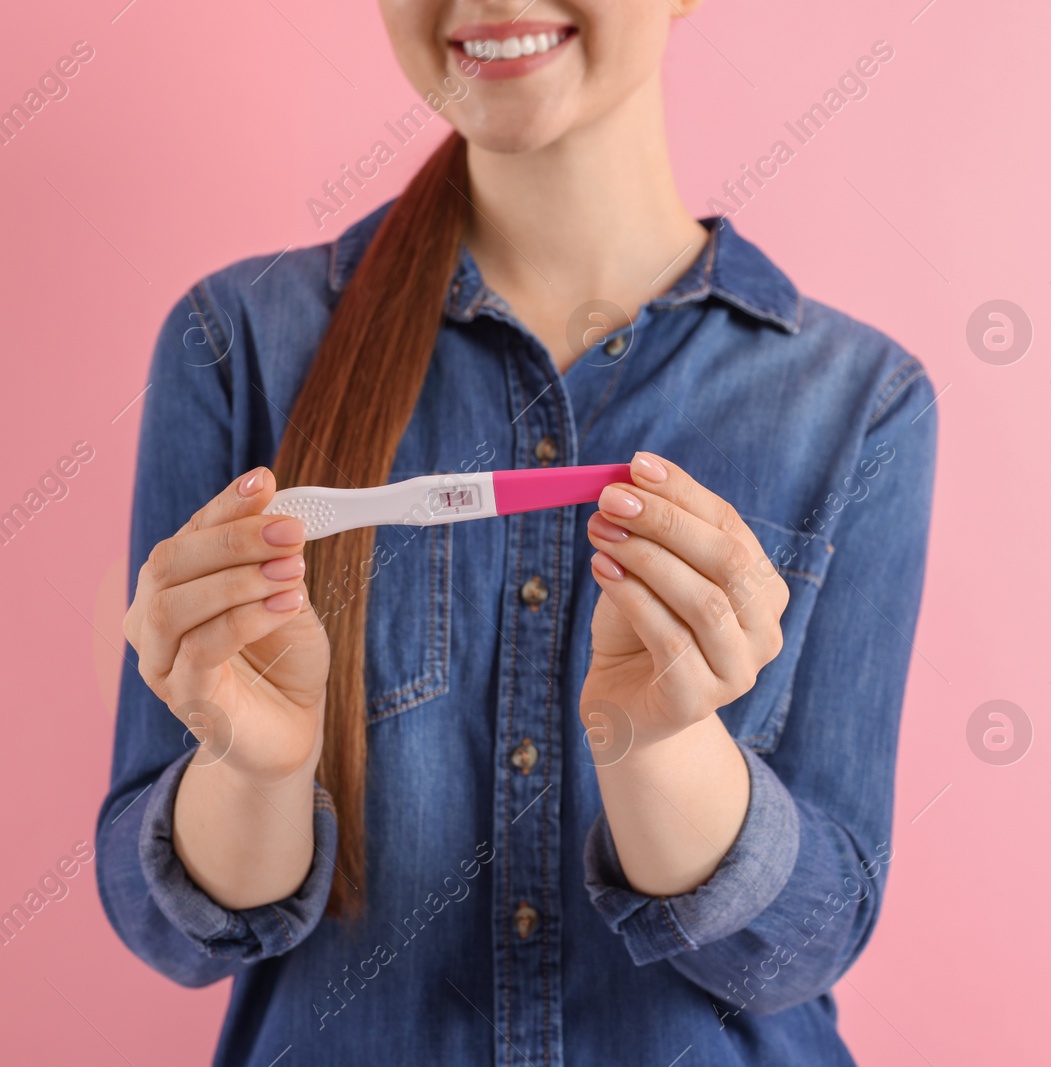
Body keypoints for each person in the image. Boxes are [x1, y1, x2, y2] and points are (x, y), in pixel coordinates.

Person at [95, 2, 937, 1063]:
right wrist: (252, 769)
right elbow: (167, 925)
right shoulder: (239, 345)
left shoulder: (858, 402)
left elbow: (803, 943)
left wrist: (665, 745)